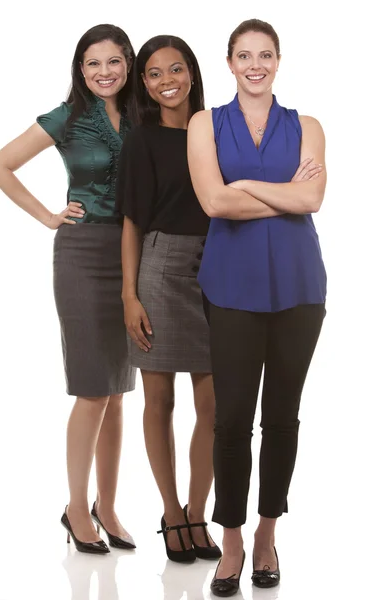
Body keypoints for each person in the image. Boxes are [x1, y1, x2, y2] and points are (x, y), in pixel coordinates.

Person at [0, 24, 137, 554]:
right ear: (80, 68)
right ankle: (76, 510)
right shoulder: (67, 116)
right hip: (82, 255)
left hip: (132, 256)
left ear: (128, 63)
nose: (104, 73)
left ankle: (109, 505)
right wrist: (49, 215)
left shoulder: (142, 114)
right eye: (92, 63)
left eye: (114, 61)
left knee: (118, 391)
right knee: (93, 387)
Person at [187, 18, 327, 595]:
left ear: (277, 60)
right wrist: (282, 195)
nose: (255, 64)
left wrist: (247, 187)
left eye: (265, 54)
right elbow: (215, 201)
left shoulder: (309, 126)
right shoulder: (205, 123)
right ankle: (234, 537)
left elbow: (314, 197)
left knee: (283, 418)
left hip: (299, 288)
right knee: (231, 420)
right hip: (231, 288)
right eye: (244, 55)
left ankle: (268, 533)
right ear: (229, 63)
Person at [115, 35, 221, 563]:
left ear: (193, 73)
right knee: (160, 401)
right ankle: (172, 511)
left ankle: (198, 510)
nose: (166, 81)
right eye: (153, 74)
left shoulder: (214, 130)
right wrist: (129, 293)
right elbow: (132, 220)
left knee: (215, 406)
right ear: (145, 86)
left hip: (218, 271)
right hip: (159, 268)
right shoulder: (142, 139)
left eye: (175, 69)